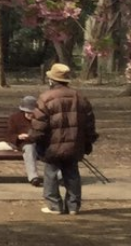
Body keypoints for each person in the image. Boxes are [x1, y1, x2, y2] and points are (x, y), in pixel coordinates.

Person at [26, 63, 98, 215]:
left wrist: (33, 138)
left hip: (52, 144)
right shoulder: (80, 97)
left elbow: (39, 124)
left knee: (51, 172)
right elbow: (89, 122)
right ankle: (73, 206)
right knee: (72, 173)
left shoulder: (46, 98)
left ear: (52, 80)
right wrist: (89, 141)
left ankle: (54, 206)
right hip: (75, 143)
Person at [7, 94, 42, 185]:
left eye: (32, 113)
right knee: (29, 148)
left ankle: (59, 176)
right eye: (27, 112)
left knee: (51, 150)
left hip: (39, 142)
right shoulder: (15, 118)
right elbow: (10, 135)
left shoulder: (40, 118)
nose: (29, 115)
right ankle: (33, 177)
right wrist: (18, 137)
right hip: (24, 143)